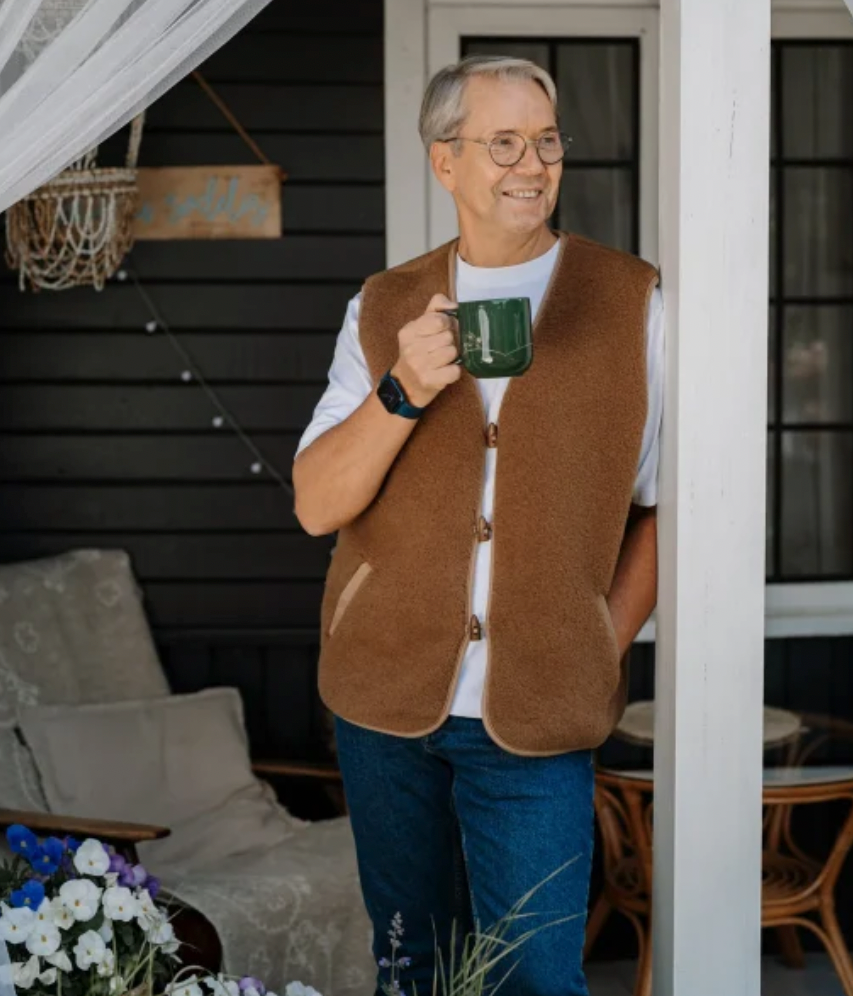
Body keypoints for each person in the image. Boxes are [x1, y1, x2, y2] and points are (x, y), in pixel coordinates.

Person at [293, 55, 664, 996]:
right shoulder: (381, 307)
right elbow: (315, 502)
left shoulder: (635, 306)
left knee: (537, 979)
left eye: (546, 141)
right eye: (502, 142)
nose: (530, 164)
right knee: (412, 970)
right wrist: (402, 391)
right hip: (382, 699)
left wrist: (601, 639)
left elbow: (670, 509)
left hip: (538, 715)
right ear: (445, 163)